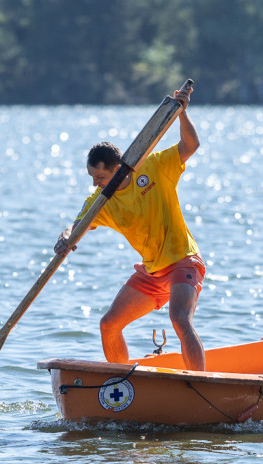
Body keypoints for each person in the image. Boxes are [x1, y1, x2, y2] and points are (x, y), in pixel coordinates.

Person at [55, 83, 205, 370]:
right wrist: (65, 239)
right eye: (91, 177)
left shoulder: (153, 166)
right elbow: (75, 228)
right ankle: (123, 386)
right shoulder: (100, 201)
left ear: (116, 168)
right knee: (109, 324)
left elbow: (191, 146)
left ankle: (203, 385)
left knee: (179, 319)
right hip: (152, 270)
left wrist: (182, 114)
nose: (95, 183)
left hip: (183, 260)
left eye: (99, 176)